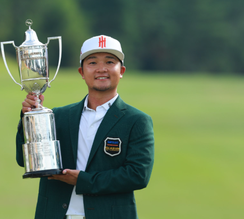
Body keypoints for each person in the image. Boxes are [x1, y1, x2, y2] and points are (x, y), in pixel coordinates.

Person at [16, 35, 154, 219]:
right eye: (93, 62)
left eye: (110, 61)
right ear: (81, 72)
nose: (101, 69)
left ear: (121, 70)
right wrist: (29, 118)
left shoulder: (137, 120)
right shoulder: (58, 116)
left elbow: (138, 175)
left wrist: (84, 181)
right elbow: (24, 161)